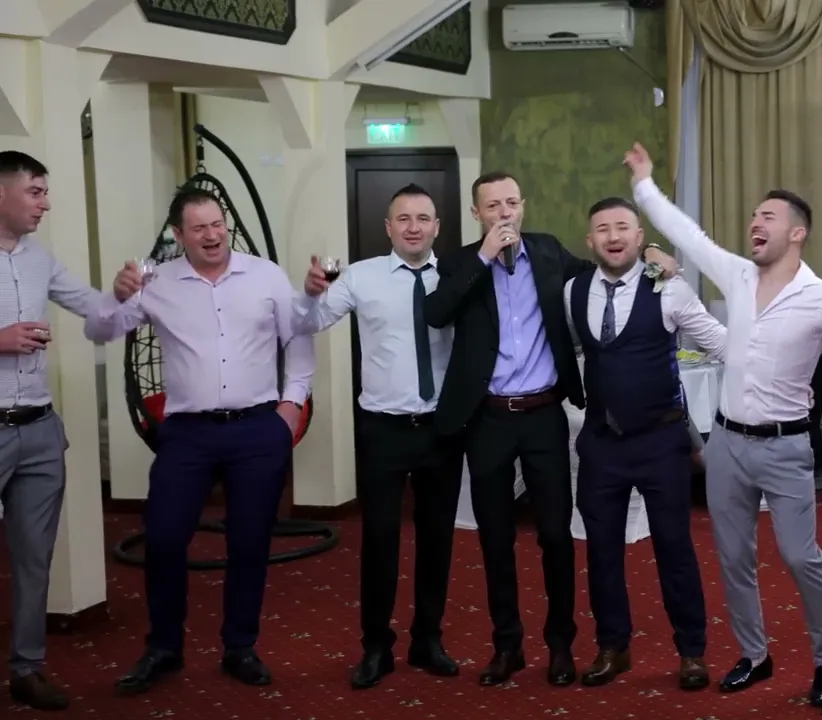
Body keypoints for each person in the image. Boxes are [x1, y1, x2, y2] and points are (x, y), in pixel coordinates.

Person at [421, 171, 672, 687]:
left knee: (556, 535)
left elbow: (607, 268)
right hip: (487, 418)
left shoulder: (549, 252)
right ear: (476, 214)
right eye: (493, 206)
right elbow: (437, 314)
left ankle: (561, 646)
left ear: (523, 206)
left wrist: (652, 255)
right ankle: (506, 646)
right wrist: (484, 256)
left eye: (512, 203)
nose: (504, 213)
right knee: (495, 539)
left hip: (542, 415)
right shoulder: (458, 262)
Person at [624, 143, 822, 706]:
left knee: (801, 556)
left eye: (767, 217)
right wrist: (645, 186)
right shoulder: (739, 275)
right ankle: (754, 654)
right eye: (753, 216)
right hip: (725, 443)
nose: (754, 224)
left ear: (797, 233)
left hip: (786, 447)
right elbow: (690, 236)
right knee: (733, 557)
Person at [86, 187, 315, 695]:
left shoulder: (265, 276)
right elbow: (98, 331)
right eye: (199, 228)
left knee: (250, 541)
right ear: (178, 234)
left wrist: (291, 406)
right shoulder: (156, 282)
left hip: (258, 428)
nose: (213, 236)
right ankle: (164, 647)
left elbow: (298, 339)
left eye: (217, 224)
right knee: (164, 536)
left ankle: (240, 647)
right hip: (187, 434)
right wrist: (116, 296)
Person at [293, 184, 463, 689]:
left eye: (423, 218)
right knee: (380, 540)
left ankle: (428, 639)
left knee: (437, 539)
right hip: (383, 429)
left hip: (441, 428)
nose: (414, 227)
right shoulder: (359, 276)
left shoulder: (457, 276)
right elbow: (309, 323)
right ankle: (375, 646)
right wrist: (310, 292)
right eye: (403, 218)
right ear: (388, 227)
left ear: (437, 227)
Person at [565, 196, 726, 690]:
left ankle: (692, 651)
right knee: (601, 553)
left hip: (661, 441)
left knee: (674, 548)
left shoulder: (668, 288)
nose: (613, 237)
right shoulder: (573, 291)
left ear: (639, 238)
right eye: (603, 229)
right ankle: (612, 647)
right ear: (589, 241)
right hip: (601, 443)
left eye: (623, 228)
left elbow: (722, 344)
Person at [0, 151, 109, 712]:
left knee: (34, 560)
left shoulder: (40, 259)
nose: (45, 203)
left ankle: (27, 669)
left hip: (40, 430)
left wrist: (129, 294)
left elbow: (94, 306)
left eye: (45, 192)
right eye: (35, 192)